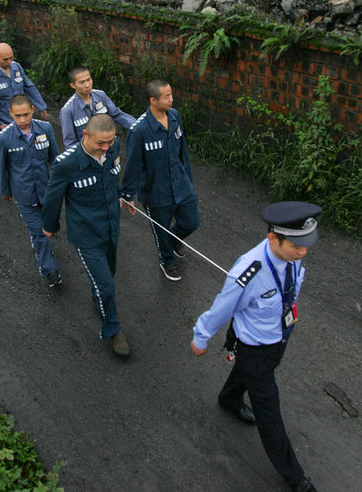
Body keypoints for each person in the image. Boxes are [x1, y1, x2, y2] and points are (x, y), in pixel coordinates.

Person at [191, 202, 322, 492]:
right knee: (270, 414)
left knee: (250, 372)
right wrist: (201, 336)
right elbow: (223, 307)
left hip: (279, 338)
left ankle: (229, 399)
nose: (303, 252)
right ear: (272, 238)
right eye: (296, 246)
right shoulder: (250, 271)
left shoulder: (294, 258)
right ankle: (293, 475)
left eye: (306, 246)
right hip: (254, 346)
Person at [41, 114, 130, 357]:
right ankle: (112, 329)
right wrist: (50, 226)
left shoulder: (112, 150)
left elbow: (114, 180)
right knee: (107, 287)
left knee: (107, 276)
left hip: (111, 227)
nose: (105, 148)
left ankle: (98, 296)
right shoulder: (66, 164)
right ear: (85, 135)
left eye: (110, 142)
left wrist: (124, 196)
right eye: (100, 143)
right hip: (86, 234)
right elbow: (53, 197)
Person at [121, 79, 199, 282]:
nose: (172, 99)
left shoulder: (175, 117)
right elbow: (133, 165)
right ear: (153, 100)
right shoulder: (139, 130)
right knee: (160, 230)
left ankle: (173, 239)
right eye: (167, 96)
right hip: (156, 193)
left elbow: (183, 151)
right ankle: (167, 261)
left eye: (172, 94)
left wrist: (188, 179)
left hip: (181, 185)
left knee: (192, 221)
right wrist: (127, 195)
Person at [0, 94, 62, 288]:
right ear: (10, 114)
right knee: (39, 234)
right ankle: (49, 270)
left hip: (46, 190)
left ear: (32, 110)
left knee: (49, 224)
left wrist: (61, 185)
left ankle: (44, 238)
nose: (23, 120)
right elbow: (1, 168)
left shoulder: (46, 129)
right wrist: (5, 190)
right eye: (18, 116)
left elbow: (55, 159)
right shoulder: (3, 139)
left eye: (26, 114)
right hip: (24, 194)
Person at [59, 66, 135, 149]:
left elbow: (117, 115)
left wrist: (138, 126)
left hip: (108, 150)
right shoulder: (68, 110)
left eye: (89, 80)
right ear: (73, 85)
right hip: (87, 155)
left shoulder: (101, 95)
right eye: (82, 82)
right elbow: (70, 143)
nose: (87, 85)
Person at [0, 43, 47, 130]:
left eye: (11, 58)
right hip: (7, 122)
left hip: (25, 118)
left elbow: (29, 87)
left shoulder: (16, 67)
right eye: (5, 59)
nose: (9, 62)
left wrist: (41, 106)